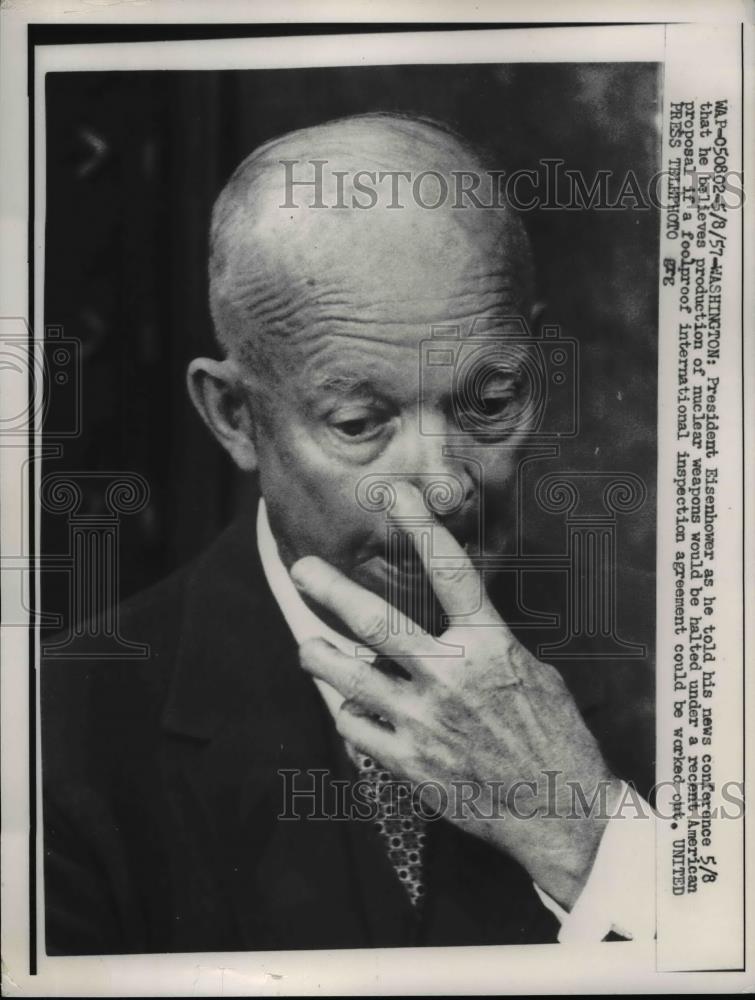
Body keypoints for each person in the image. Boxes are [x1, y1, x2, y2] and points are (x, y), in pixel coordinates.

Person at [42, 112, 653, 955]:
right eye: (360, 423)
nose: (442, 485)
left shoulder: (678, 659)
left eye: (489, 402)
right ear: (234, 415)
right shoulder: (56, 733)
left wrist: (583, 836)